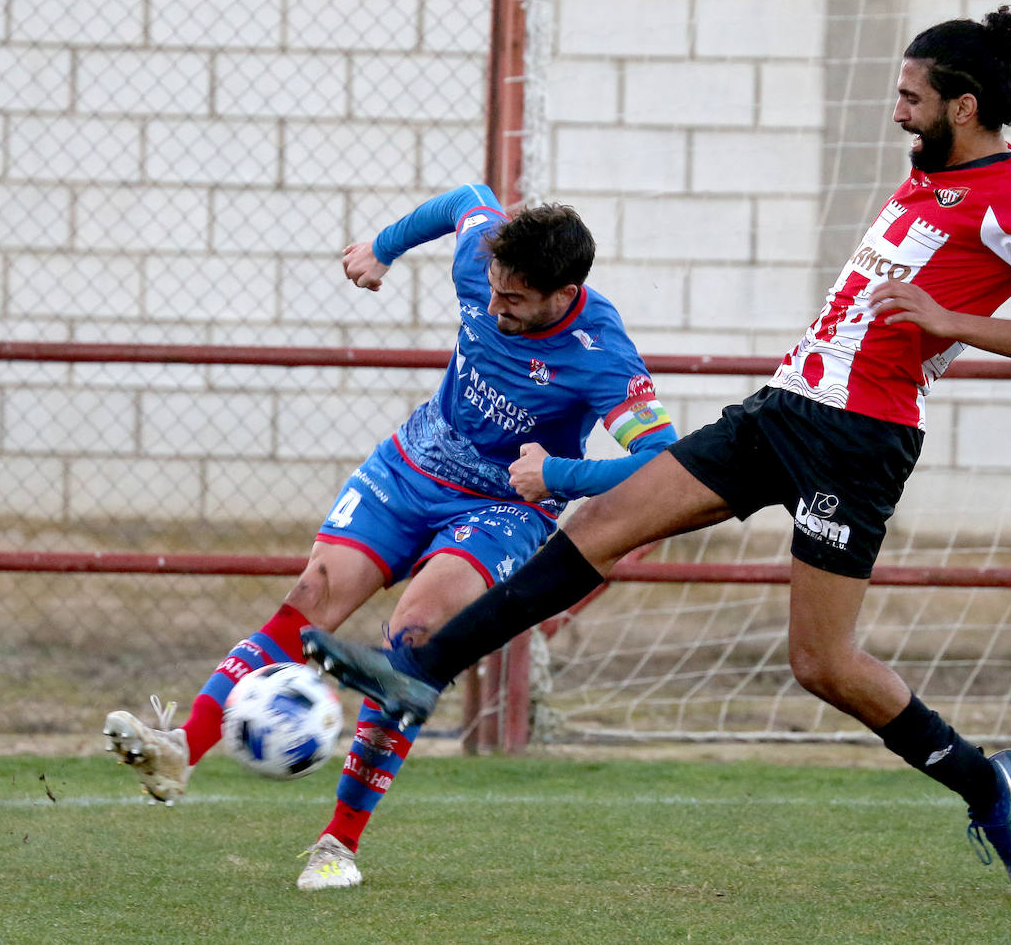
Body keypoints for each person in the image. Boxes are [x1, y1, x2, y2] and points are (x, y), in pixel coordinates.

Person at [301, 6, 1011, 897]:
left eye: (912, 97)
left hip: (861, 442)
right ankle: (418, 674)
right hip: (783, 407)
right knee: (602, 522)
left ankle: (987, 783)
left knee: (820, 665)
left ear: (964, 104)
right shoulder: (928, 176)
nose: (898, 110)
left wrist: (950, 322)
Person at [103, 182, 679, 890]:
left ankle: (336, 845)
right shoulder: (484, 256)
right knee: (313, 593)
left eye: (514, 303)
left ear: (564, 293)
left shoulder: (601, 354)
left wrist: (558, 473)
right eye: (491, 293)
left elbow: (660, 460)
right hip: (411, 465)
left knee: (410, 640)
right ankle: (182, 750)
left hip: (500, 509)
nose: (494, 311)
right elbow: (468, 197)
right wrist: (382, 246)